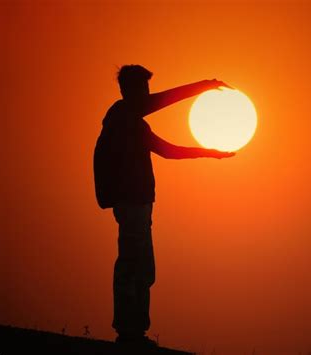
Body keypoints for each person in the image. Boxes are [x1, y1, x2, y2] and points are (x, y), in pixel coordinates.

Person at [93, 65, 234, 347]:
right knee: (132, 266)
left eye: (146, 89)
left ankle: (136, 332)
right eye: (141, 89)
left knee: (144, 268)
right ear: (127, 91)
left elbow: (167, 151)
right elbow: (162, 103)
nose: (147, 95)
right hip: (131, 204)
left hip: (142, 205)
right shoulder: (121, 117)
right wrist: (202, 85)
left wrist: (208, 152)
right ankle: (128, 333)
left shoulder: (134, 123)